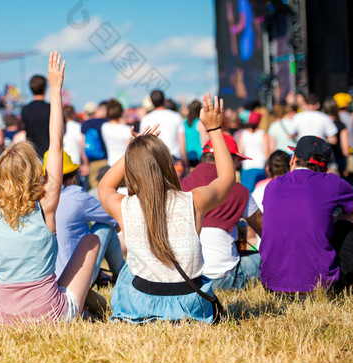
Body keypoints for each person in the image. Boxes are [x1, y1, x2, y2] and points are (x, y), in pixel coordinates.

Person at [0, 51, 103, 326]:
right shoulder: (46, 202)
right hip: (50, 315)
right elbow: (56, 144)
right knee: (91, 240)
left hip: (2, 317)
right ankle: (93, 306)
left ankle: (85, 302)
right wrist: (56, 89)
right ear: (35, 171)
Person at [100, 94, 234, 323]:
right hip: (190, 303)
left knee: (125, 272)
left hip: (142, 301)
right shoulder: (194, 200)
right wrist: (214, 129)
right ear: (167, 164)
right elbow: (227, 178)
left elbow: (105, 186)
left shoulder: (124, 206)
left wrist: (133, 149)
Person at [260, 136, 353, 294]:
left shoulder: (272, 185)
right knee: (349, 216)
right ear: (325, 167)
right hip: (319, 287)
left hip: (271, 285)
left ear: (293, 158)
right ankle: (348, 282)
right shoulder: (333, 183)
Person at [181, 134, 263, 290]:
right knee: (264, 259)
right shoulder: (239, 191)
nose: (237, 166)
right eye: (237, 161)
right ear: (228, 159)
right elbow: (265, 231)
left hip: (186, 278)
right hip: (223, 277)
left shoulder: (179, 185)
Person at [47, 150, 124, 285]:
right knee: (105, 226)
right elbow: (114, 218)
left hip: (49, 280)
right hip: (76, 280)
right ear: (74, 177)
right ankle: (122, 274)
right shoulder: (76, 196)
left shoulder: (40, 200)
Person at [139, 89, 188, 169]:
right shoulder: (176, 116)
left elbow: (144, 142)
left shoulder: (145, 119)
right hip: (173, 159)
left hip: (154, 159)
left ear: (152, 102)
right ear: (165, 100)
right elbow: (182, 143)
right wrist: (185, 163)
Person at [238, 111, 270, 191]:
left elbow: (240, 152)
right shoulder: (263, 134)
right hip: (260, 165)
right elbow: (266, 153)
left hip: (247, 166)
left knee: (247, 192)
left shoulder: (243, 134)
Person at [80, 101, 109, 189]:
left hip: (93, 163)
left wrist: (85, 164)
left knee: (95, 190)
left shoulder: (86, 124)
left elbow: (83, 145)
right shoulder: (107, 122)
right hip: (107, 161)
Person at [21, 74, 50, 158]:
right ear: (45, 88)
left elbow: (23, 129)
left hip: (32, 155)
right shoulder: (51, 108)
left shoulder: (26, 109)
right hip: (49, 154)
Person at [101, 99, 132, 167]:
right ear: (120, 112)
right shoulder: (126, 129)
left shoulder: (104, 127)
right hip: (123, 165)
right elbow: (129, 150)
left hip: (110, 163)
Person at [184, 100, 206, 167]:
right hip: (199, 156)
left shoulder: (184, 123)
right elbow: (204, 141)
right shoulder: (200, 123)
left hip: (187, 155)